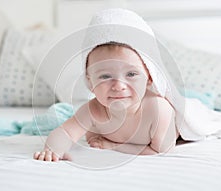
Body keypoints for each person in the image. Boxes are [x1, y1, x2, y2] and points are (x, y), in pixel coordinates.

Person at [33, 9, 179, 162]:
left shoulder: (158, 111)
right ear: (90, 82)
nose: (118, 86)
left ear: (149, 77)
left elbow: (161, 150)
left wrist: (112, 146)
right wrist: (53, 149)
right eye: (105, 76)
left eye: (131, 74)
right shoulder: (93, 111)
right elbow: (65, 133)